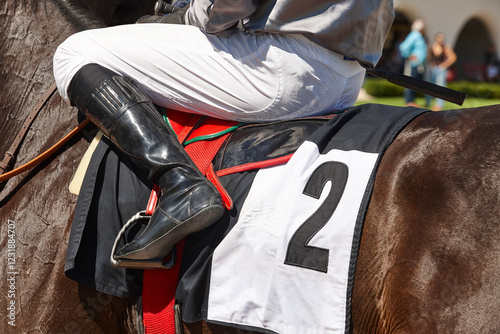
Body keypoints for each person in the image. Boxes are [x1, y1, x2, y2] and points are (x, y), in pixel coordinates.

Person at [53, 0, 395, 266]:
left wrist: (184, 17)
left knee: (74, 52)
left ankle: (180, 185)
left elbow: (225, 9)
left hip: (279, 66)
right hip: (347, 77)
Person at [399, 19, 427, 107]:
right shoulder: (414, 35)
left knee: (415, 83)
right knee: (411, 82)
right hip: (414, 64)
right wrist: (409, 55)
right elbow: (403, 47)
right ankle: (409, 101)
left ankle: (412, 101)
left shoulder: (418, 36)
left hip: (418, 64)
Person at [425, 33, 457, 110]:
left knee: (440, 86)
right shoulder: (432, 47)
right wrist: (431, 64)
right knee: (429, 85)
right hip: (433, 68)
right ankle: (428, 102)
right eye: (439, 37)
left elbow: (453, 57)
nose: (441, 39)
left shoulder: (446, 48)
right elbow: (428, 57)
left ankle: (439, 104)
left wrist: (444, 65)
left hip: (441, 69)